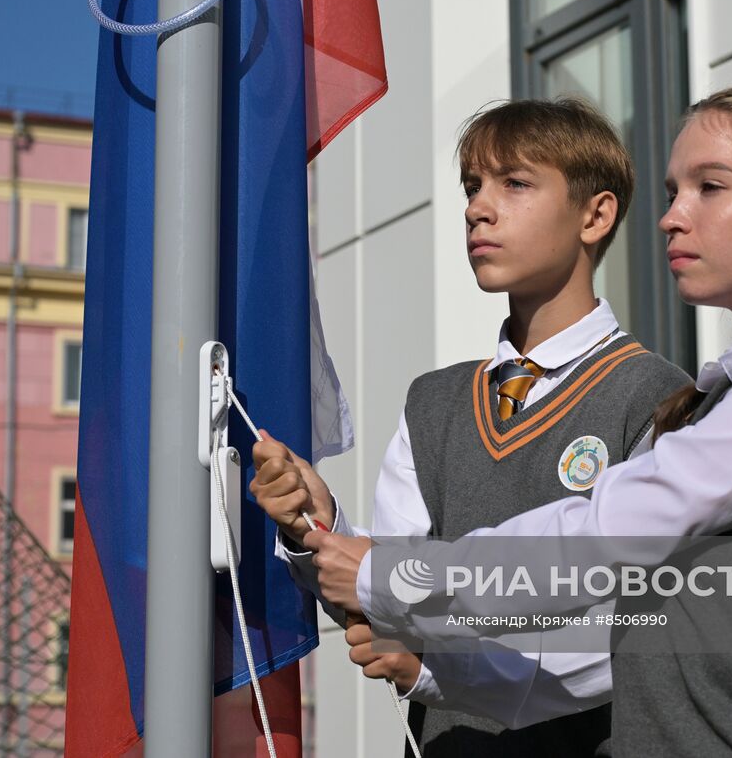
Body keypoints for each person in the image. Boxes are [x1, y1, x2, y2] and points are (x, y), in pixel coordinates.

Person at [304, 82, 732, 758]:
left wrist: (392, 575)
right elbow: (619, 640)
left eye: (710, 187)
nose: (671, 217)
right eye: (674, 192)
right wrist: (437, 669)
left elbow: (602, 534)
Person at [249, 97, 692, 756]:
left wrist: (441, 664)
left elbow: (634, 627)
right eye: (471, 186)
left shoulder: (658, 397)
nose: (478, 208)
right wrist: (318, 528)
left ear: (595, 215)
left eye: (514, 183)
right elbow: (383, 593)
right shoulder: (433, 402)